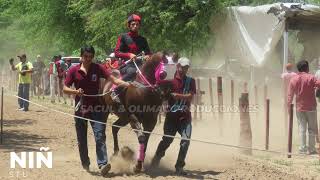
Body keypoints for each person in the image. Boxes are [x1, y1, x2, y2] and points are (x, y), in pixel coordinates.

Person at [63, 45, 130, 176]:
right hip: (81, 108)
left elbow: (114, 80)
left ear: (93, 57)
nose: (88, 59)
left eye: (90, 57)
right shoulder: (73, 70)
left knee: (100, 135)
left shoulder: (98, 68)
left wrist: (127, 84)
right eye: (85, 56)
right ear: (81, 57)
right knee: (82, 139)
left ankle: (103, 164)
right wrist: (75, 91)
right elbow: (65, 88)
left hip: (97, 108)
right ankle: (85, 163)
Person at [151, 57, 196, 175]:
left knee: (185, 141)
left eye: (186, 67)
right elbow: (162, 93)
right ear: (178, 66)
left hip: (185, 118)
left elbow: (191, 96)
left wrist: (178, 96)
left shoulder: (191, 81)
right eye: (182, 66)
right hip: (171, 117)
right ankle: (156, 159)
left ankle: (179, 166)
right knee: (167, 140)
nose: (184, 69)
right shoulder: (169, 80)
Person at [287, 60, 320, 154]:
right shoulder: (311, 77)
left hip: (299, 107)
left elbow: (290, 95)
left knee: (302, 128)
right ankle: (312, 149)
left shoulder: (293, 79)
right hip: (311, 107)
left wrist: (289, 106)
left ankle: (302, 149)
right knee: (311, 129)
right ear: (307, 68)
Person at [114, 14, 151, 82]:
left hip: (140, 65)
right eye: (133, 24)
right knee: (132, 72)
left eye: (137, 24)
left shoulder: (143, 39)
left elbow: (148, 53)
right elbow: (116, 53)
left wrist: (147, 56)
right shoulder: (123, 37)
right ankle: (117, 88)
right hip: (126, 65)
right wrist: (129, 55)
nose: (135, 26)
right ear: (129, 26)